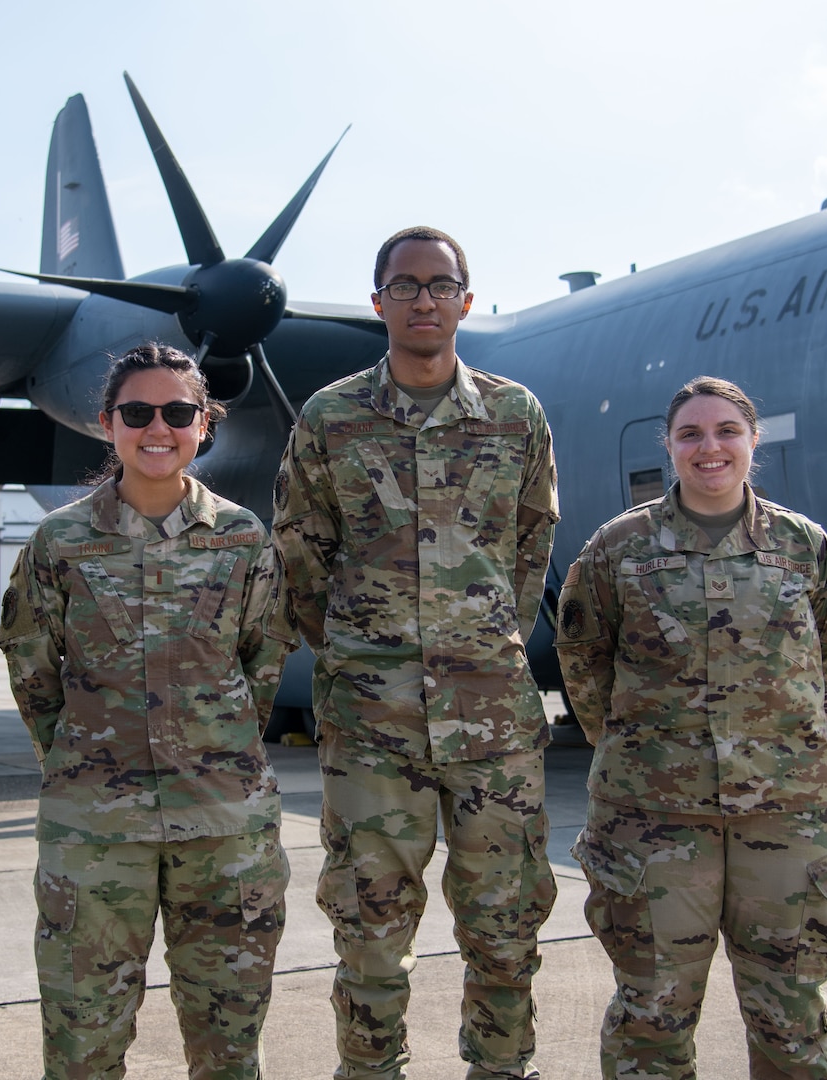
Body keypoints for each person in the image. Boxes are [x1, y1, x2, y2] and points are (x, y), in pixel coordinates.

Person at [273, 226, 561, 1080]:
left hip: (493, 721)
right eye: (405, 285)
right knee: (369, 928)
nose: (424, 299)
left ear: (467, 301)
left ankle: (502, 1069)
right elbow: (300, 551)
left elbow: (532, 543)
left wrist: (474, 639)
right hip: (371, 721)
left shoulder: (516, 416)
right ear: (378, 303)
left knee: (505, 924)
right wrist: (368, 649)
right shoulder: (330, 419)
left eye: (442, 284)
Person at [554, 376, 827, 1080]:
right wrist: (641, 750)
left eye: (727, 431)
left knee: (793, 1019)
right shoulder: (617, 549)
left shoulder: (803, 546)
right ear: (668, 447)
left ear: (753, 441)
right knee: (651, 1019)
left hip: (787, 818)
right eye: (691, 434)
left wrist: (787, 738)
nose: (710, 447)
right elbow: (583, 659)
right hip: (655, 823)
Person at [0, 343, 294, 1080]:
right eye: (137, 412)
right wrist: (83, 764)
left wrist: (212, 749)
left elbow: (261, 665)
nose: (156, 427)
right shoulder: (59, 542)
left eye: (178, 412)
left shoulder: (243, 539)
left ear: (204, 425)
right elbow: (33, 672)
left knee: (229, 1043)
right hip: (95, 831)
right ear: (107, 424)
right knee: (82, 1042)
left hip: (223, 829)